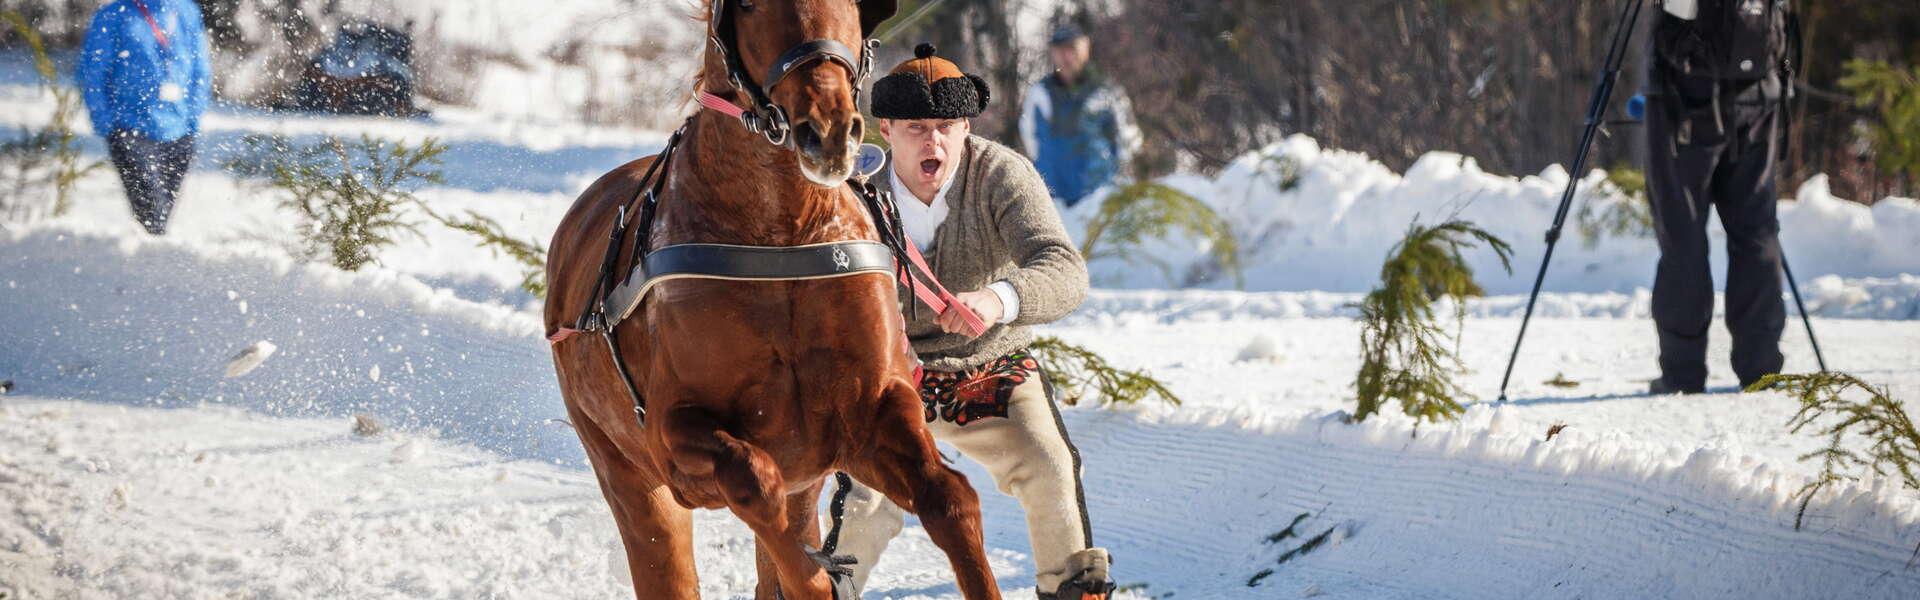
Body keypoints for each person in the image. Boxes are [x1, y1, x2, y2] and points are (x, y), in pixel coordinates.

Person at [834, 43, 1110, 600]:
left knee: (1050, 463)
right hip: (889, 371)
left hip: (991, 362)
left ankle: (1072, 593)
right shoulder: (850, 188)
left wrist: (998, 299)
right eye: (916, 127)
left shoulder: (1002, 174)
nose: (932, 141)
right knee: (865, 499)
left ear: (965, 128)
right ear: (884, 129)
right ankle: (826, 593)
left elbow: (1064, 269)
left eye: (946, 126)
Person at [1644, 0, 1790, 394]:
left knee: (1683, 234)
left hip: (1685, 97)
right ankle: (1761, 368)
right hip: (1758, 91)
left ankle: (1682, 373)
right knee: (1756, 229)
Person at [76, 0, 212, 235]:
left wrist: (192, 117)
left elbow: (201, 68)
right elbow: (93, 71)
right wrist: (106, 122)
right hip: (130, 129)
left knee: (161, 217)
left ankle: (147, 263)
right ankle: (153, 264)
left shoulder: (186, 10)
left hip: (178, 129)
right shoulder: (114, 14)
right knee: (152, 214)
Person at [1018, 24, 1141, 208]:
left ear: (1085, 50)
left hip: (1098, 201)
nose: (1066, 57)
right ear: (1053, 53)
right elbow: (1030, 139)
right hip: (1052, 203)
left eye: (1072, 49)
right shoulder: (1039, 94)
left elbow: (1128, 139)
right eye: (1060, 51)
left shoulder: (1107, 93)